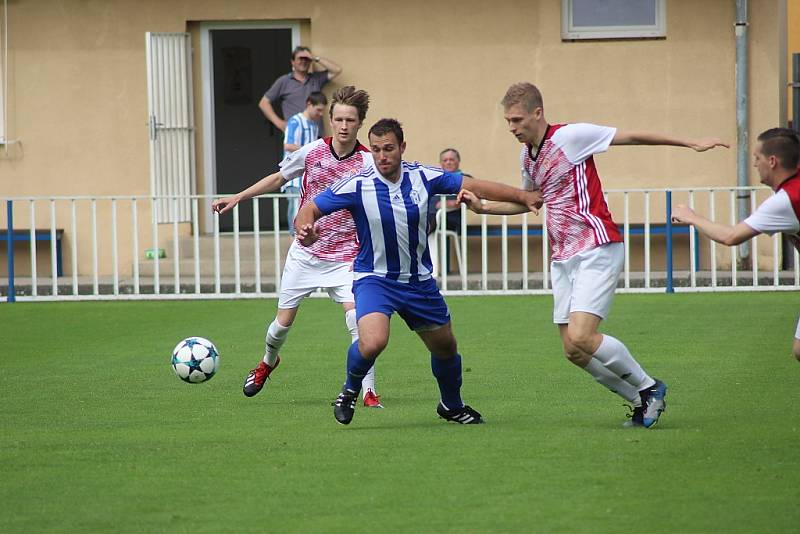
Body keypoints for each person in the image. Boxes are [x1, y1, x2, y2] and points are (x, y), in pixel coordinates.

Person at [458, 82, 728, 428]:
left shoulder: (570, 137)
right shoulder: (527, 155)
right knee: (573, 350)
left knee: (584, 335)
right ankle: (640, 401)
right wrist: (482, 208)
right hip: (563, 257)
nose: (511, 127)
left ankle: (650, 387)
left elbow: (629, 137)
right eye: (508, 120)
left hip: (596, 245)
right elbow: (529, 201)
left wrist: (690, 142)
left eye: (516, 119)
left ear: (537, 113)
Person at [294, 118, 543, 426]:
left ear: (402, 148)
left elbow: (473, 185)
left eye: (388, 149)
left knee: (446, 347)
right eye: (375, 150)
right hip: (375, 279)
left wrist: (523, 196)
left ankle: (451, 406)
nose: (382, 156)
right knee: (373, 342)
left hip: (418, 282)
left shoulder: (424, 177)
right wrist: (304, 228)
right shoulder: (358, 183)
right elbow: (310, 209)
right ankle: (348, 390)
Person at [212, 86, 383, 408]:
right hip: (305, 254)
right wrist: (237, 197)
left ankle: (368, 391)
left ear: (360, 123)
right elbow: (278, 178)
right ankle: (267, 362)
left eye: (351, 120)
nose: (344, 125)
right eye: (339, 119)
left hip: (347, 255)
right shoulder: (312, 152)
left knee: (357, 321)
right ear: (330, 120)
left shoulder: (367, 161)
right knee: (281, 325)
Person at [672, 127, 800, 362]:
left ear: (772, 161)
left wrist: (691, 216)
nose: (754, 164)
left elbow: (730, 236)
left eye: (757, 158)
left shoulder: (784, 201)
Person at [259, 46, 342, 133]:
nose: (303, 61)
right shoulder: (284, 81)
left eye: (306, 59)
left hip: (316, 135)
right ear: (292, 62)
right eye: (300, 58)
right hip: (295, 136)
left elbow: (337, 70)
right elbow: (263, 103)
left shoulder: (316, 78)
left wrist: (315, 58)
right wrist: (279, 123)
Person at [283, 91, 328, 232]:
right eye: (319, 110)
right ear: (309, 104)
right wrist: (309, 150)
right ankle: (293, 245)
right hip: (295, 179)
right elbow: (288, 145)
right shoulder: (295, 121)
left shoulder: (314, 125)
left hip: (310, 179)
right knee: (295, 217)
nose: (321, 114)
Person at [427, 148, 468, 274]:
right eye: (445, 160)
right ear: (441, 163)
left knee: (427, 222)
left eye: (452, 159)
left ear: (458, 162)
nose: (448, 162)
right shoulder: (436, 180)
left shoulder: (465, 179)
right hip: (433, 218)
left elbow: (471, 198)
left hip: (451, 219)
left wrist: (452, 203)